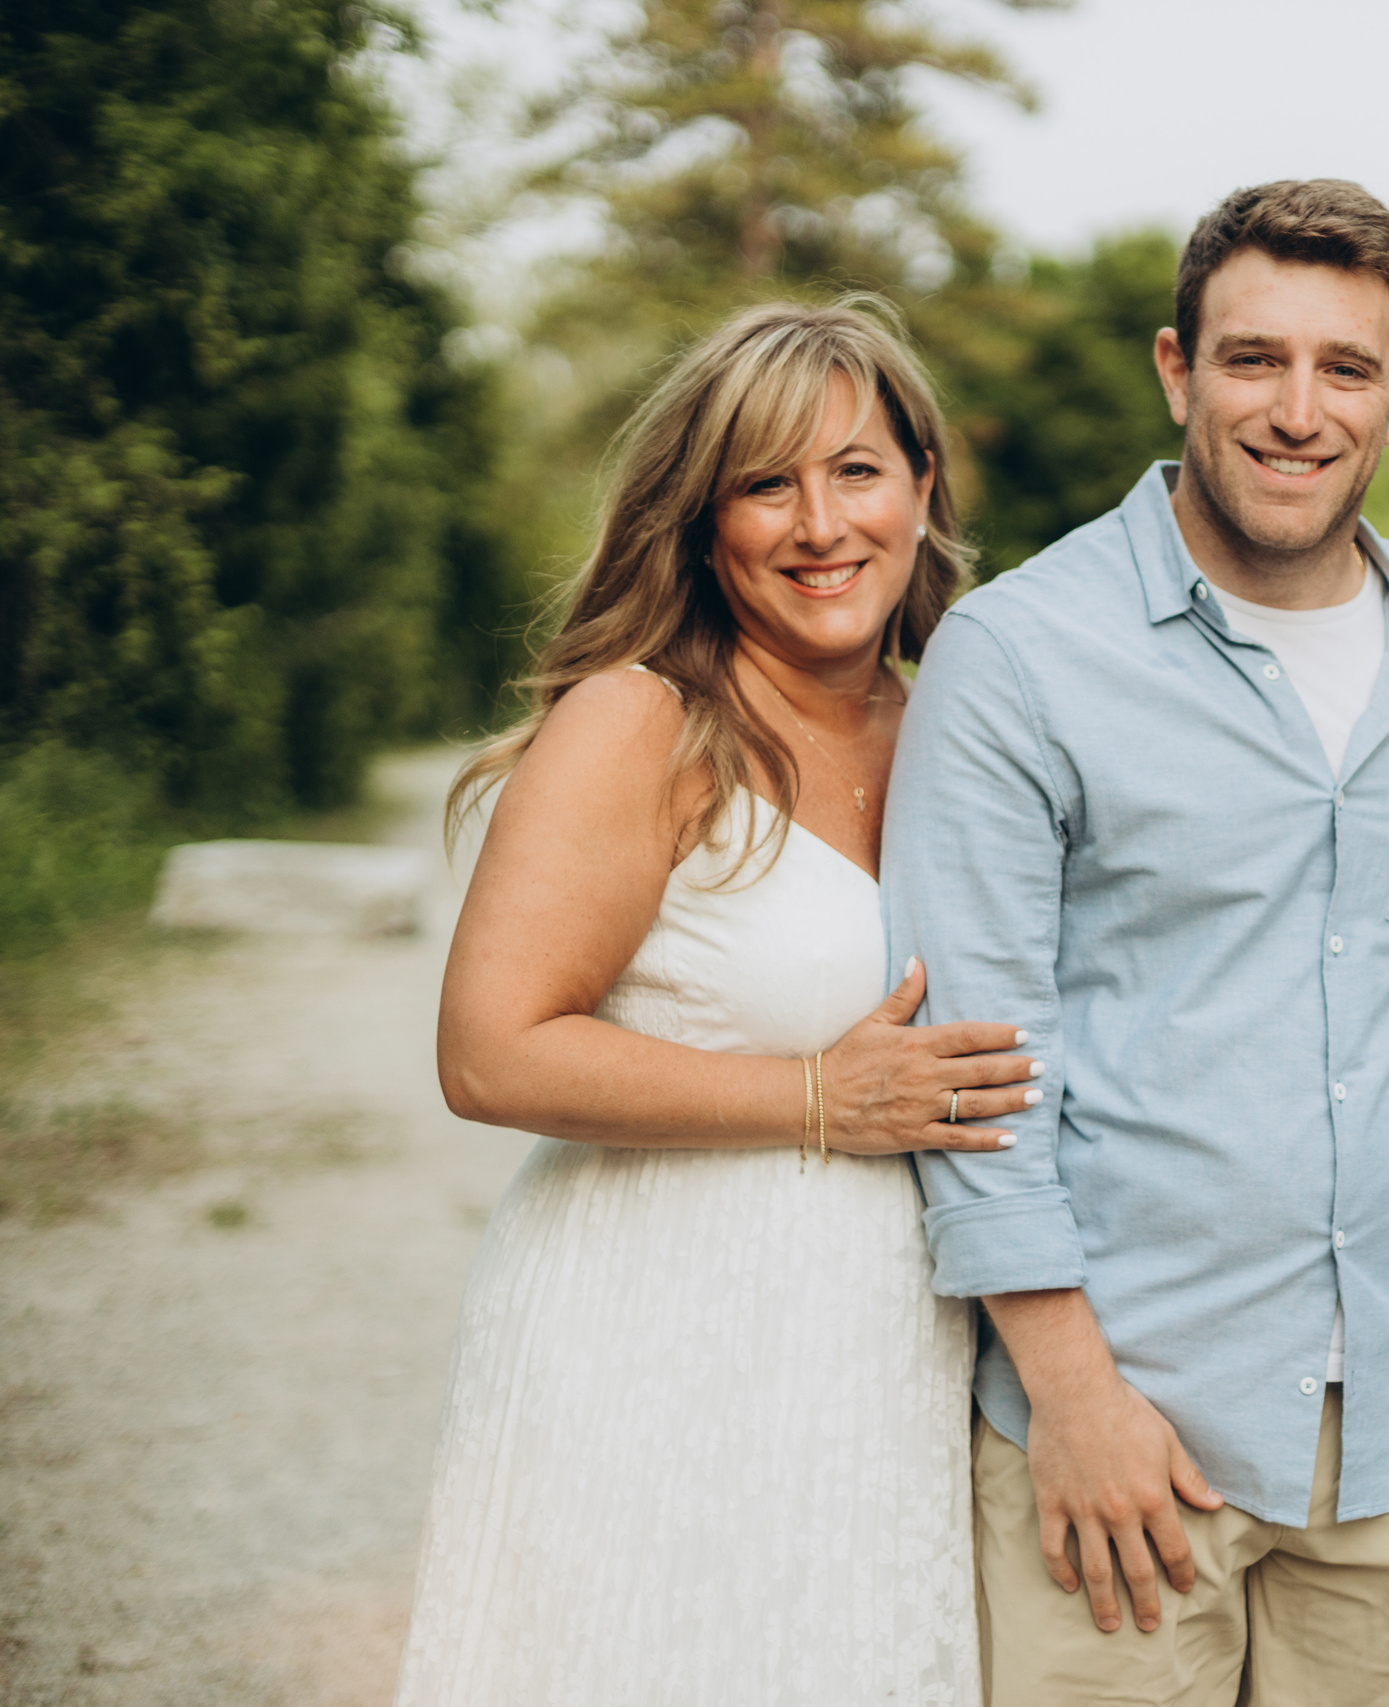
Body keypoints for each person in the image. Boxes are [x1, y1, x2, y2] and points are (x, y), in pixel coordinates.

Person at [881, 179, 1389, 1707]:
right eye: (1254, 360)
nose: (1299, 410)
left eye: (1345, 368)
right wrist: (1071, 1392)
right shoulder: (1021, 655)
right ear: (1177, 368)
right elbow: (970, 1058)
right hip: (1124, 1429)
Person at [397, 297, 1038, 1707]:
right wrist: (815, 1094)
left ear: (924, 488)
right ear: (703, 521)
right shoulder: (646, 719)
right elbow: (488, 1050)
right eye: (765, 482)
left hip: (882, 1347)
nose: (819, 522)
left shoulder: (962, 725)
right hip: (653, 1323)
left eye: (856, 470)